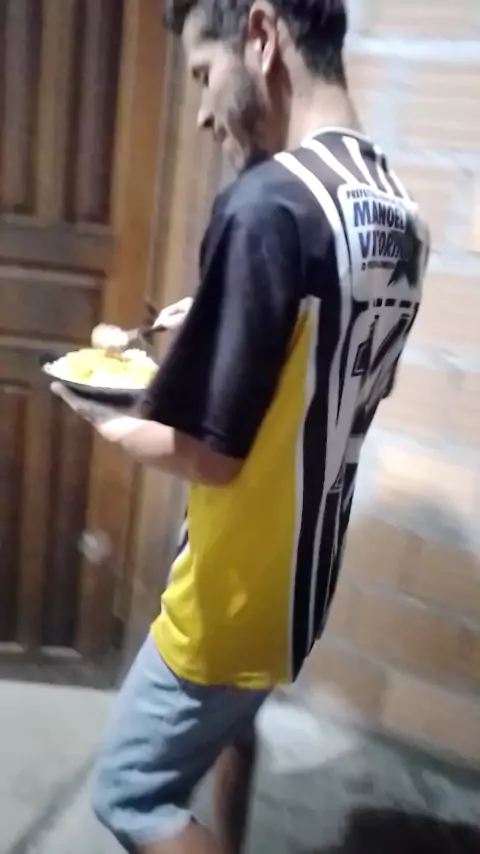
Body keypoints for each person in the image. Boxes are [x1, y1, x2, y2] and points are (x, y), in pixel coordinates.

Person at [53, 1, 429, 852]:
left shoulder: (269, 204)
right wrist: (219, 316)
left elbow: (207, 454)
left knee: (132, 793)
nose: (200, 111)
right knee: (235, 725)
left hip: (230, 591)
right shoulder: (398, 213)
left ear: (261, 36)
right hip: (302, 583)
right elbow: (330, 364)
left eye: (202, 73)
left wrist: (100, 409)